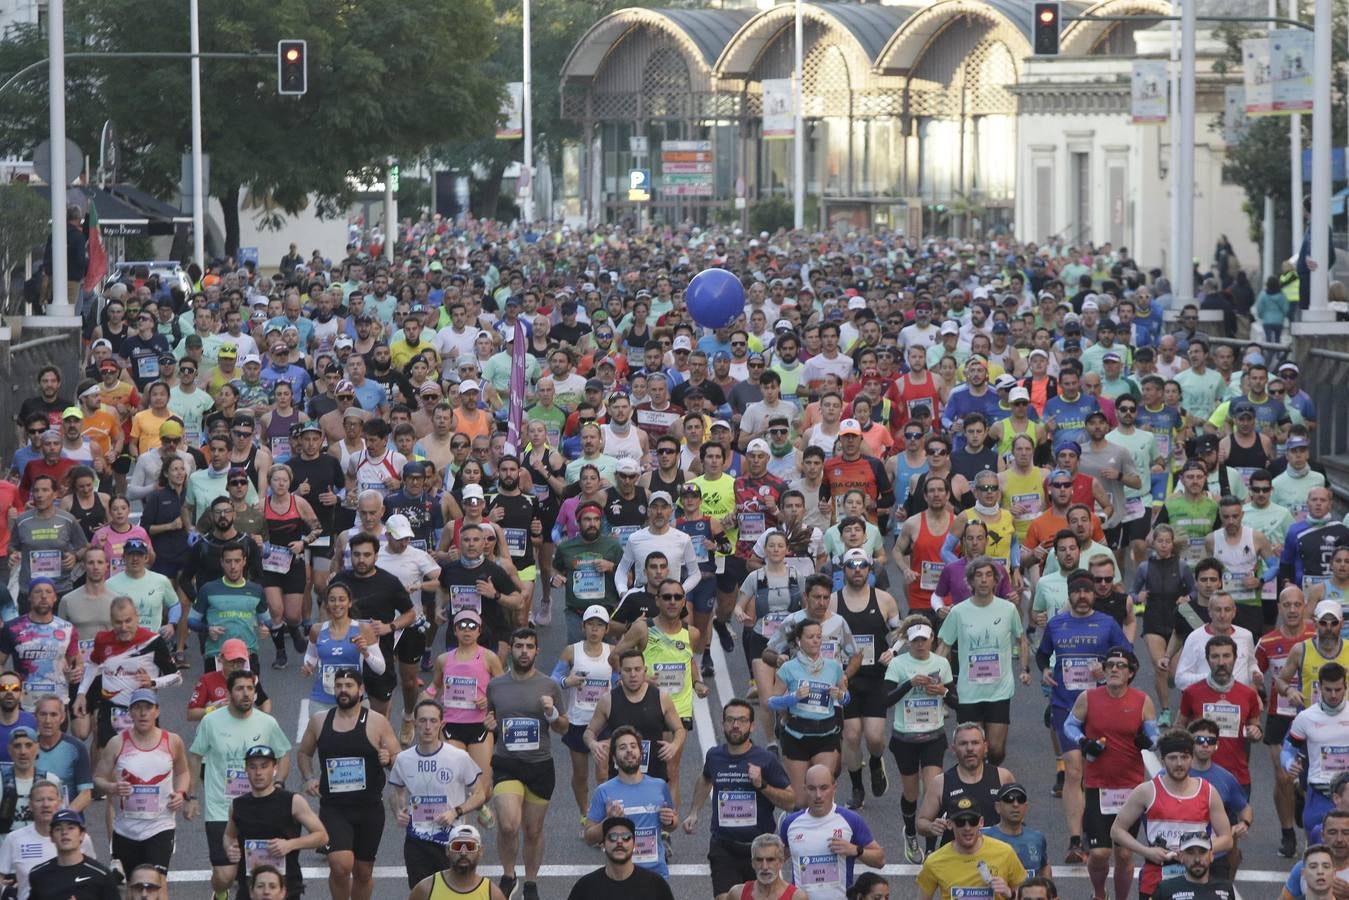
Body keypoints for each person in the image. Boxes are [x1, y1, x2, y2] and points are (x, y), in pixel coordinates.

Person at [294, 667, 400, 900]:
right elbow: (304, 753)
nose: (343, 690)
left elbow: (399, 762)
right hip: (335, 808)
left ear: (360, 690)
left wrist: (389, 759)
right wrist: (309, 777)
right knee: (340, 865)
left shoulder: (377, 722)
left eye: (349, 685)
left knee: (363, 872)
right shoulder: (320, 721)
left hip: (369, 808)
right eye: (339, 685)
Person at [186, 669, 292, 900]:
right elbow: (195, 755)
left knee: (259, 873)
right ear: (229, 692)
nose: (246, 694)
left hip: (258, 807)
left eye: (250, 689)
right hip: (220, 809)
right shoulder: (211, 721)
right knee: (225, 875)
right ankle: (220, 891)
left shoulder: (267, 723)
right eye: (240, 689)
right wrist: (191, 795)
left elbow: (283, 753)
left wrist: (280, 784)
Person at [680, 698, 794, 900]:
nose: (735, 725)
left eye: (742, 720)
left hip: (759, 850)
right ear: (722, 724)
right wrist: (694, 812)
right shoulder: (715, 756)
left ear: (752, 726)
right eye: (730, 720)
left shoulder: (766, 760)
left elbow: (790, 801)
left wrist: (763, 785)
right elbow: (706, 778)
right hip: (724, 846)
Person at [485, 628, 567, 900]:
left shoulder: (549, 686)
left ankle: (531, 882)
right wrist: (490, 726)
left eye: (529, 646)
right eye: (518, 645)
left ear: (537, 651)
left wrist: (551, 713)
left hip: (540, 766)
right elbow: (491, 720)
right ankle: (509, 875)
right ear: (511, 649)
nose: (523, 651)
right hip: (507, 763)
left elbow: (563, 728)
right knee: (509, 825)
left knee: (533, 831)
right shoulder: (496, 685)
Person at [1108, 729, 1233, 898]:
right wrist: (1146, 851)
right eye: (1173, 758)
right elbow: (1117, 830)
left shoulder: (1208, 792)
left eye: (1184, 757)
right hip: (1155, 878)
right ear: (1163, 759)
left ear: (1192, 758)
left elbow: (1227, 839)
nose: (1179, 763)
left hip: (1195, 879)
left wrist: (1195, 851)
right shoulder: (1147, 791)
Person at [935, 556, 1030, 764]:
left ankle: (991, 775)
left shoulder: (1007, 609)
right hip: (969, 692)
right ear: (970, 581)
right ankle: (981, 790)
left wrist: (1025, 669)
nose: (984, 580)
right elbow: (944, 645)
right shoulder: (958, 612)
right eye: (978, 575)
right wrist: (934, 676)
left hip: (999, 690)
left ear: (996, 580)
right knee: (971, 751)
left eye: (988, 575)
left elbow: (1022, 639)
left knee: (995, 750)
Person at [389, 698, 489, 888]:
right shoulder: (403, 759)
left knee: (453, 891)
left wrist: (456, 812)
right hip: (417, 840)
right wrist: (399, 811)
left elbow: (479, 794)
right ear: (415, 723)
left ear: (441, 724)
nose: (428, 726)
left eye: (433, 721)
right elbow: (396, 793)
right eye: (423, 721)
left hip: (452, 841)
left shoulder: (459, 757)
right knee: (421, 892)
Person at [90, 688, 188, 874]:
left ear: (157, 711)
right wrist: (113, 787)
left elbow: (183, 772)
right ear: (130, 712)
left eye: (148, 707)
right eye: (138, 708)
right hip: (126, 829)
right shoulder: (117, 743)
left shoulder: (172, 741)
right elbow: (98, 778)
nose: (143, 713)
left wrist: (182, 793)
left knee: (157, 882)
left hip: (161, 826)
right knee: (134, 885)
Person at [223, 743, 328, 900]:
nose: (258, 772)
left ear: (274, 769)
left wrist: (290, 844)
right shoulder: (237, 805)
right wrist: (230, 849)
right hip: (251, 886)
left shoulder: (292, 801)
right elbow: (228, 836)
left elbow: (322, 836)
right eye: (252, 767)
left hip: (286, 884)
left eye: (264, 766)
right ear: (246, 770)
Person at [778, 764, 884, 900]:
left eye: (824, 788)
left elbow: (880, 859)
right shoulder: (791, 823)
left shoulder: (850, 820)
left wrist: (856, 850)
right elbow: (775, 860)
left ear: (834, 788)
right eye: (812, 788)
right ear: (804, 789)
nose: (818, 795)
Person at [583, 727, 677, 876]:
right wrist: (608, 821)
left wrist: (670, 821)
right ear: (613, 757)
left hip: (656, 875)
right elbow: (588, 837)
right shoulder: (603, 791)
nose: (629, 751)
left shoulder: (659, 786)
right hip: (620, 876)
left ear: (641, 753)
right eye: (622, 747)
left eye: (633, 746)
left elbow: (672, 823)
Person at [0, 781, 95, 900]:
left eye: (50, 799)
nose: (46, 804)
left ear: (60, 803)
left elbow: (92, 877)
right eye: (39, 800)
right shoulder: (14, 839)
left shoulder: (80, 838)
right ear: (30, 805)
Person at [916, 803, 1026, 900]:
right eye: (960, 822)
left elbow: (1027, 895)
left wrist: (1010, 894)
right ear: (949, 824)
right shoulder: (934, 861)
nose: (967, 828)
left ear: (981, 822)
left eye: (973, 821)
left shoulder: (1005, 852)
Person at [565, 814, 674, 900]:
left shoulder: (655, 885)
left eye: (626, 837)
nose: (619, 841)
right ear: (602, 845)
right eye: (613, 837)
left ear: (634, 845)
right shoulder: (585, 887)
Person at [25, 809, 119, 900]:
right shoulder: (38, 874)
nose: (64, 833)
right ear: (52, 837)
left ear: (82, 835)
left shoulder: (101, 876)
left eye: (71, 828)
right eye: (58, 829)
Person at [407, 823, 507, 900]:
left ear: (480, 851)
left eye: (470, 847)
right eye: (457, 846)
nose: (463, 852)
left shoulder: (493, 895)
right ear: (447, 850)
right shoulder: (425, 889)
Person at [982, 782, 1050, 882]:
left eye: (1020, 799)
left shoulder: (1037, 838)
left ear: (1026, 807)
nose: (1015, 804)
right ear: (997, 807)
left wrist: (1050, 892)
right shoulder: (984, 839)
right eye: (1008, 799)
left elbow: (1045, 866)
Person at [1151, 832, 1235, 900]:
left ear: (1211, 856)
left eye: (1202, 852)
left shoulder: (1226, 888)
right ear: (1181, 857)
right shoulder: (1165, 889)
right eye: (1190, 852)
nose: (1197, 859)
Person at [721, 834, 800, 900]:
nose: (764, 867)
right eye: (759, 860)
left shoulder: (796, 897)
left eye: (770, 860)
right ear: (752, 863)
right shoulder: (737, 894)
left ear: (781, 862)